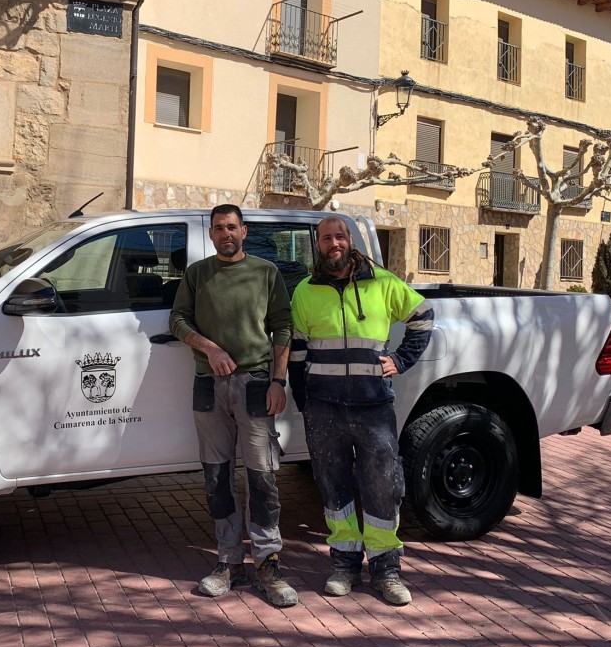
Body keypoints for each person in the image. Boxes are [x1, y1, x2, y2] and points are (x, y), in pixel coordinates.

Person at [289, 215, 433, 605]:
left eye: (339, 236)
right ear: (317, 245)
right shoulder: (304, 291)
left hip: (373, 406)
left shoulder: (384, 284)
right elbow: (297, 354)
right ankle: (344, 565)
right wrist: (305, 404)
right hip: (324, 408)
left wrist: (401, 360)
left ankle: (387, 570)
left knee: (383, 487)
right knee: (333, 489)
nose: (333, 244)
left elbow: (423, 317)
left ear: (349, 240)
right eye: (325, 238)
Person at [169, 204, 298, 608]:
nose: (225, 234)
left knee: (262, 477)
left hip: (257, 384)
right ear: (210, 235)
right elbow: (177, 320)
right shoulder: (197, 274)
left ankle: (267, 563)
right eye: (218, 228)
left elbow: (283, 326)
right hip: (209, 384)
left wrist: (279, 380)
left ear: (244, 231)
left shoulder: (265, 273)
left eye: (232, 227)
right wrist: (210, 348)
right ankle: (228, 561)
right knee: (216, 476)